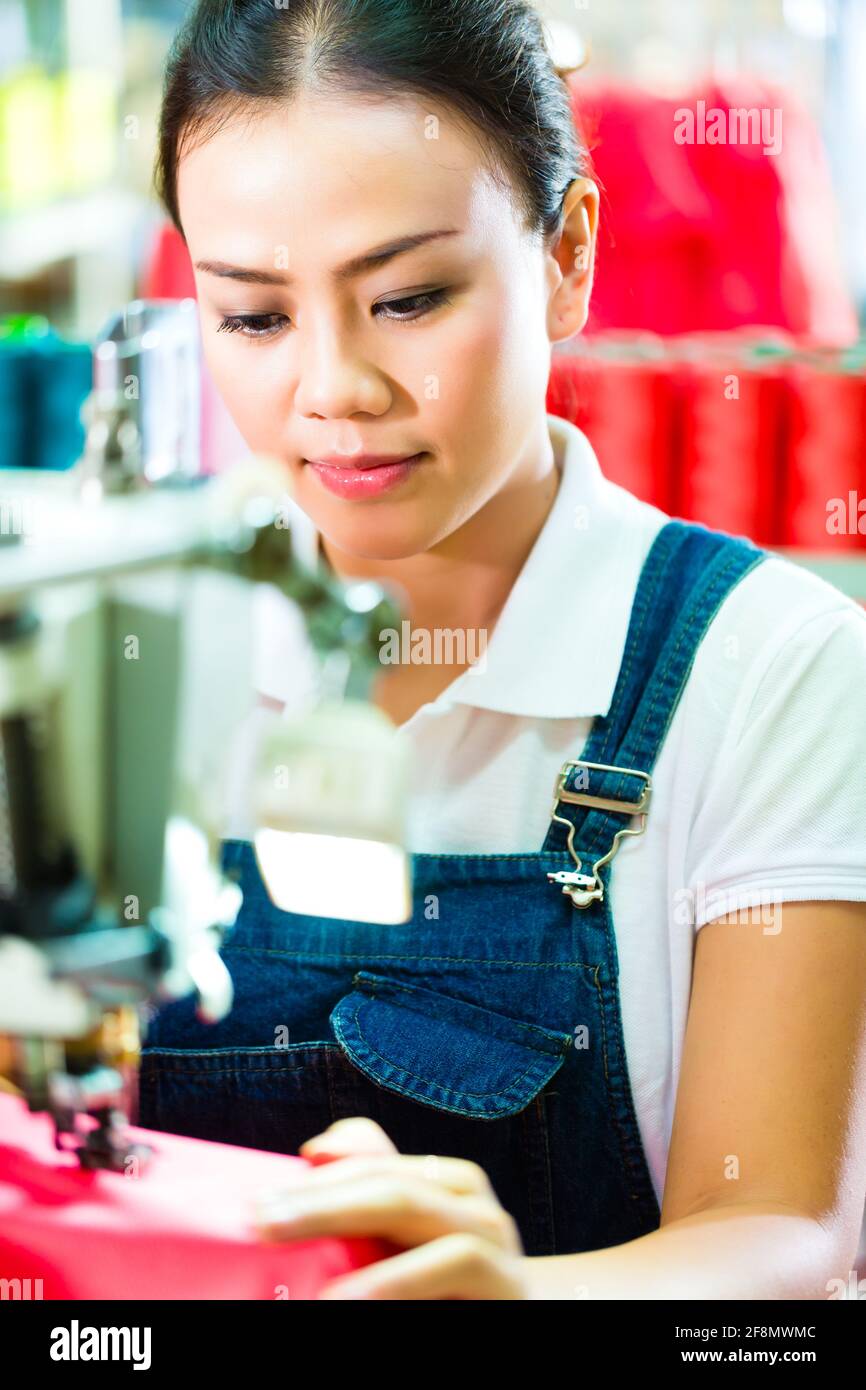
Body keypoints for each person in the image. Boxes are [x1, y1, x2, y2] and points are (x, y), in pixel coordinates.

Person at [138, 0, 866, 1300]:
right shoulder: (135, 637)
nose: (335, 388)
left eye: (408, 297)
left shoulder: (771, 669)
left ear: (567, 254)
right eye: (253, 316)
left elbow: (777, 1234)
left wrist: (526, 1298)